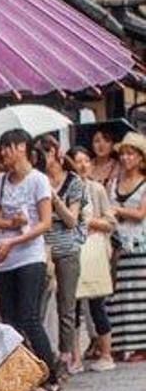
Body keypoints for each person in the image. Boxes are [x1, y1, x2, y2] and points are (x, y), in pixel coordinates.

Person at [0, 127, 60, 391]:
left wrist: (13, 241)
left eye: (8, 147)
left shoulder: (38, 180)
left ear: (21, 148)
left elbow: (45, 222)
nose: (3, 153)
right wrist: (9, 224)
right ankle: (26, 377)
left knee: (29, 317)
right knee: (11, 321)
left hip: (29, 256)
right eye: (1, 148)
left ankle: (50, 375)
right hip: (3, 260)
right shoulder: (0, 181)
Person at [38, 135, 87, 376]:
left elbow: (71, 220)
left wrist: (54, 197)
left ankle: (66, 359)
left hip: (67, 249)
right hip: (43, 250)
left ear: (56, 152)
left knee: (66, 307)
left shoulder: (74, 182)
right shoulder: (36, 181)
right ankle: (43, 358)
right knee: (40, 306)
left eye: (46, 153)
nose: (42, 159)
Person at [71, 147, 116, 370]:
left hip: (93, 249)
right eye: (77, 161)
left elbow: (110, 222)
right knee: (72, 308)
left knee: (97, 303)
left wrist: (90, 222)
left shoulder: (96, 189)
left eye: (86, 161)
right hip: (72, 250)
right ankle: (75, 357)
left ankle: (106, 354)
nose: (83, 165)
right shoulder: (65, 189)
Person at [108, 131, 146, 362]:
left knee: (140, 295)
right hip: (117, 244)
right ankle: (122, 343)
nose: (125, 159)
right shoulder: (114, 183)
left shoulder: (144, 184)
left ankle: (142, 344)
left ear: (141, 158)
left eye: (130, 154)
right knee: (119, 295)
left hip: (139, 245)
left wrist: (118, 210)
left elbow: (140, 214)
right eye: (123, 154)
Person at [89, 123, 123, 191]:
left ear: (113, 144)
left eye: (107, 141)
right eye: (97, 141)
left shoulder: (119, 167)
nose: (101, 145)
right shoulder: (87, 164)